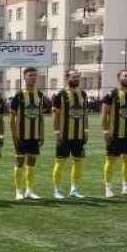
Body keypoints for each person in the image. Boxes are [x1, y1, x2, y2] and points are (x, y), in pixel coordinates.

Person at [9, 66, 50, 200]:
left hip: (35, 135)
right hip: (21, 135)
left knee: (32, 162)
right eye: (30, 75)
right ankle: (18, 191)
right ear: (24, 77)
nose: (33, 77)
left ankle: (29, 190)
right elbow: (12, 117)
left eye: (34, 75)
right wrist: (14, 135)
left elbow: (40, 116)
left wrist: (42, 134)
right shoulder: (19, 95)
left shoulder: (40, 95)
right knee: (19, 162)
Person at [100, 69, 127, 198]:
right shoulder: (111, 95)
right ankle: (108, 189)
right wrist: (105, 131)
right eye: (125, 75)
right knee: (110, 160)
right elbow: (104, 115)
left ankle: (126, 188)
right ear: (118, 78)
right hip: (115, 134)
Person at [51, 70, 89, 199]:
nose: (76, 79)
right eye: (73, 77)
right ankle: (57, 190)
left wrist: (86, 131)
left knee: (78, 161)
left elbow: (85, 114)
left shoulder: (83, 94)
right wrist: (57, 133)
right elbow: (55, 116)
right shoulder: (60, 95)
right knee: (60, 161)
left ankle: (74, 189)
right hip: (64, 135)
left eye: (77, 77)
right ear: (67, 78)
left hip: (79, 135)